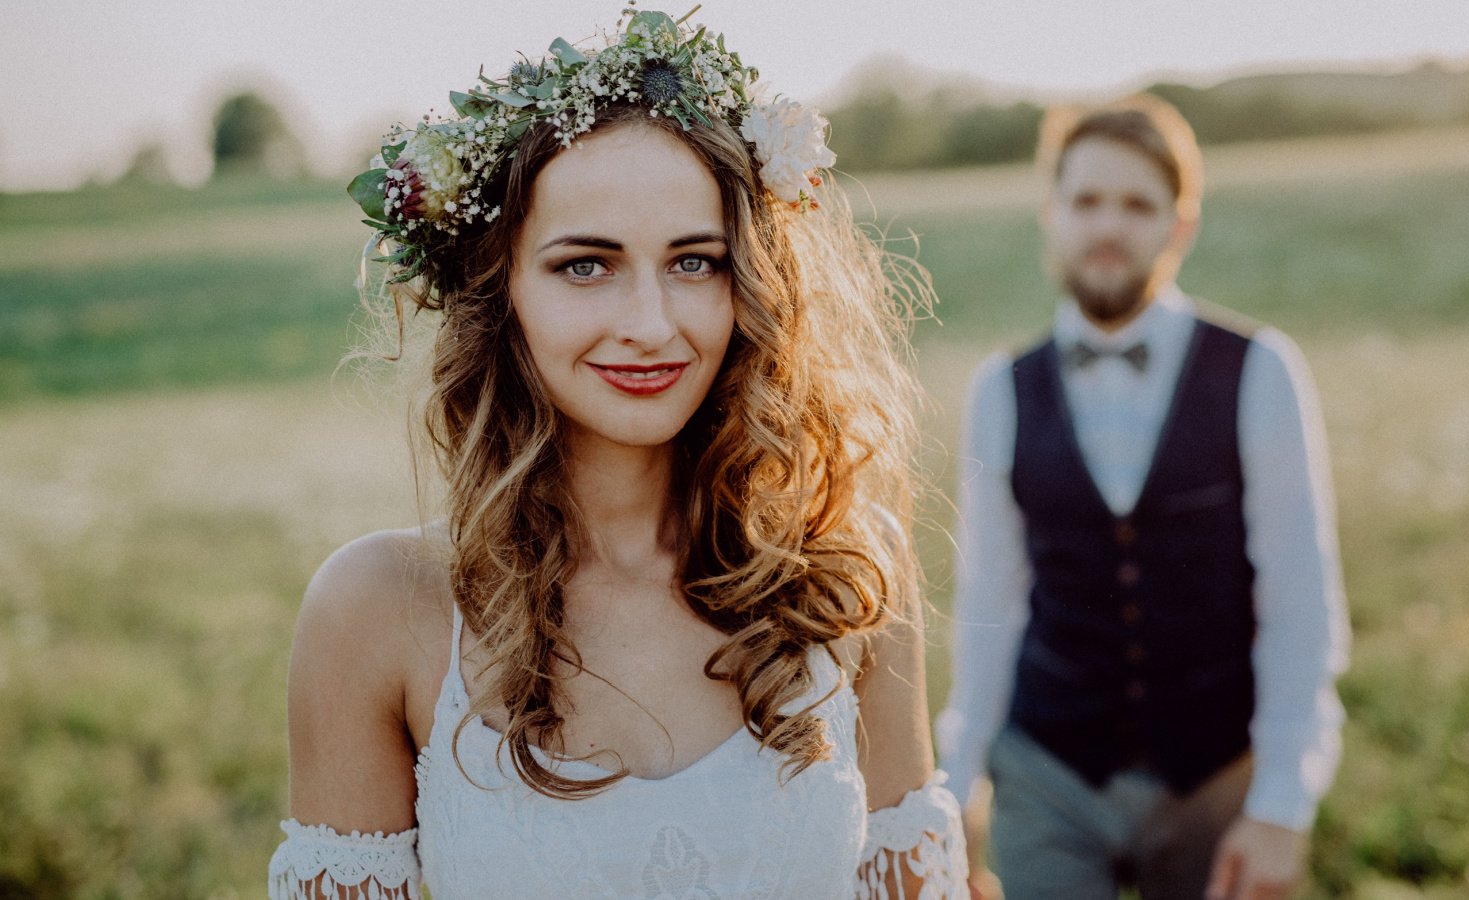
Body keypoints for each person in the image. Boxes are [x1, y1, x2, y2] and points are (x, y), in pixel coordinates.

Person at [267, 9, 966, 898]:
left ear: (750, 284)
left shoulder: (842, 570)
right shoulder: (378, 610)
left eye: (695, 262)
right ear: (501, 288)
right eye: (585, 265)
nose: (649, 325)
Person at [935, 94, 1350, 900]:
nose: (1108, 228)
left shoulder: (1260, 371)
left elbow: (1301, 601)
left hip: (1215, 779)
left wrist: (1281, 807)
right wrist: (957, 784)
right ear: (1051, 215)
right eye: (1086, 201)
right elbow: (990, 603)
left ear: (1179, 226)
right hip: (1047, 772)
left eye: (1137, 204)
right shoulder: (999, 390)